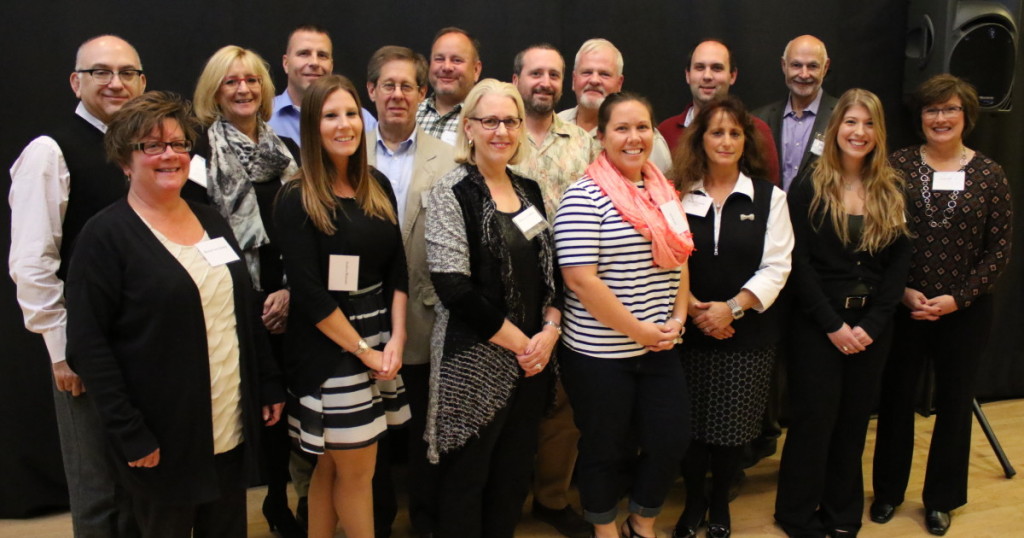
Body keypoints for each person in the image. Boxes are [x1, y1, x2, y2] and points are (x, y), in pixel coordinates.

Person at [65, 90, 286, 537]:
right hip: (159, 440)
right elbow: (88, 347)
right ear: (125, 161)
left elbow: (243, 311)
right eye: (152, 145)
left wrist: (266, 383)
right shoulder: (104, 236)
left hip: (227, 428)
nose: (169, 155)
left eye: (179, 144)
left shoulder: (213, 221)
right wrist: (129, 432)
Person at [8, 34, 146, 538]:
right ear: (76, 82)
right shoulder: (50, 151)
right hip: (86, 350)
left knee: (141, 484)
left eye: (127, 73)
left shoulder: (144, 148)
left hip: (143, 343)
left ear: (142, 82)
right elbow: (32, 261)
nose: (115, 83)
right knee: (99, 490)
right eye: (100, 72)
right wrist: (62, 349)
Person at [870, 74, 1013, 536]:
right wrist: (902, 290)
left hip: (964, 312)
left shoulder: (990, 174)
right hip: (905, 306)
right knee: (895, 400)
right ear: (921, 117)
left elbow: (999, 249)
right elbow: (879, 233)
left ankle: (941, 500)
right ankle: (888, 492)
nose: (940, 118)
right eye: (932, 110)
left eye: (950, 109)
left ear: (966, 115)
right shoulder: (898, 165)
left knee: (954, 404)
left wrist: (959, 298)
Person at [273, 74, 411, 538]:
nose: (344, 124)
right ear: (311, 126)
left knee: (332, 468)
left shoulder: (377, 184)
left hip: (378, 340)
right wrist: (364, 352)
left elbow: (398, 269)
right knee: (357, 473)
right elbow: (310, 294)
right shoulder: (295, 197)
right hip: (329, 350)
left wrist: (396, 339)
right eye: (331, 115)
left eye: (351, 113)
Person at [425, 78, 562, 538]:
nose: (501, 131)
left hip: (532, 362)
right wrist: (524, 345)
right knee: (467, 479)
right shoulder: (451, 191)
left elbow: (551, 274)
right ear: (468, 127)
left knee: (513, 476)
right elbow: (453, 287)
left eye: (510, 121)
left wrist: (550, 329)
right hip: (475, 361)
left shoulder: (530, 190)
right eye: (490, 121)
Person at [554, 92, 693, 538]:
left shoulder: (663, 191)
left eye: (642, 128)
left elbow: (680, 257)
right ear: (601, 136)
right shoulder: (583, 196)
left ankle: (642, 520)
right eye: (622, 128)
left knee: (670, 438)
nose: (634, 138)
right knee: (605, 448)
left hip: (660, 346)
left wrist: (678, 318)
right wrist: (640, 332)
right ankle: (604, 528)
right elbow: (580, 281)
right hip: (599, 355)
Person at [774, 88, 911, 537]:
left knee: (853, 422)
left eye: (869, 124)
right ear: (836, 128)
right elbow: (797, 262)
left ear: (879, 132)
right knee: (814, 421)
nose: (859, 132)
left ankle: (841, 512)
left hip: (871, 328)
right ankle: (795, 514)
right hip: (817, 325)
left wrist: (873, 324)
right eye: (851, 122)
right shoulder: (809, 185)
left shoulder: (892, 188)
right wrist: (833, 325)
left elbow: (898, 266)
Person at [190, 44, 303, 537]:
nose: (243, 89)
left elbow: (307, 224)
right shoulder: (198, 151)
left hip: (292, 297)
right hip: (233, 300)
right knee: (246, 410)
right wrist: (250, 298)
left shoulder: (288, 150)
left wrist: (292, 292)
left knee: (287, 408)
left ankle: (280, 500)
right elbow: (197, 231)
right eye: (231, 81)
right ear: (214, 91)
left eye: (252, 80)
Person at [670, 96, 793, 538]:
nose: (725, 141)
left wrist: (732, 309)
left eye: (734, 133)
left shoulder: (770, 198)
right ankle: (693, 503)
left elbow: (777, 266)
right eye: (716, 132)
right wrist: (692, 307)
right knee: (688, 428)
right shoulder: (676, 194)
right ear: (700, 139)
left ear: (746, 141)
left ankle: (720, 501)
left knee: (731, 429)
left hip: (747, 335)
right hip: (687, 331)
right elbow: (665, 258)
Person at [364, 45, 456, 537]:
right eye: (388, 85)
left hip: (425, 314)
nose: (397, 94)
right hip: (359, 313)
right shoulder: (345, 147)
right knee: (367, 429)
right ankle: (374, 519)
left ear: (422, 94)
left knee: (425, 427)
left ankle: (425, 520)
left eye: (407, 86)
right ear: (371, 91)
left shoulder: (450, 157)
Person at [507, 43, 596, 538]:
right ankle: (503, 499)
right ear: (516, 79)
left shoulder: (583, 143)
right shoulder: (499, 132)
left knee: (563, 403)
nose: (544, 82)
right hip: (508, 290)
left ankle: (553, 498)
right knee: (507, 399)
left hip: (571, 289)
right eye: (535, 73)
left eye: (553, 75)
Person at [658, 40, 780, 184]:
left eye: (717, 68)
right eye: (699, 67)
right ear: (688, 75)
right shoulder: (665, 131)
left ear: (732, 76)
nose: (707, 76)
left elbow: (769, 189)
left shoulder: (757, 130)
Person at [558, 38, 673, 172]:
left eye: (604, 74)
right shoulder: (554, 127)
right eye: (587, 72)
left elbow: (663, 184)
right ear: (574, 80)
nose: (594, 80)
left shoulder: (646, 140)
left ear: (619, 83)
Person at [754, 35, 838, 192]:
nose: (804, 74)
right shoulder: (759, 119)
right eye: (796, 65)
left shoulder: (842, 117)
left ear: (825, 67)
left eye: (812, 66)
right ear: (784, 65)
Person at [269, 24, 376, 147]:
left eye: (322, 55)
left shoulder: (363, 121)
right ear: (286, 63)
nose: (314, 62)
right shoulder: (263, 117)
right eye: (304, 53)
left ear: (331, 65)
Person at [416, 27, 482, 144]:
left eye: (457, 60)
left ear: (476, 70)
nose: (446, 67)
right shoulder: (411, 114)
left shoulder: (486, 120)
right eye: (439, 59)